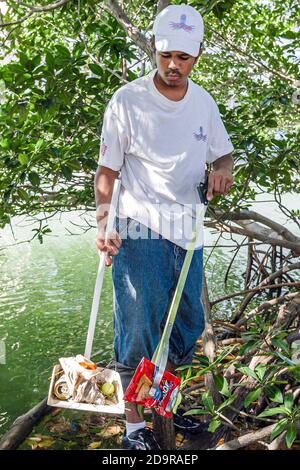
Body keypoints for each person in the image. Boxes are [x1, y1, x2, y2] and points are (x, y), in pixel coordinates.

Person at [94, 4, 234, 450]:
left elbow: (223, 154)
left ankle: (161, 403)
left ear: (198, 55)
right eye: (166, 54)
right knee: (137, 327)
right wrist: (103, 222)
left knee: (187, 328)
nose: (174, 66)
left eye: (184, 58)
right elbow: (106, 172)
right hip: (138, 229)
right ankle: (136, 431)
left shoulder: (204, 103)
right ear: (155, 47)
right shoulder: (127, 100)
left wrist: (223, 170)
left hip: (186, 231)